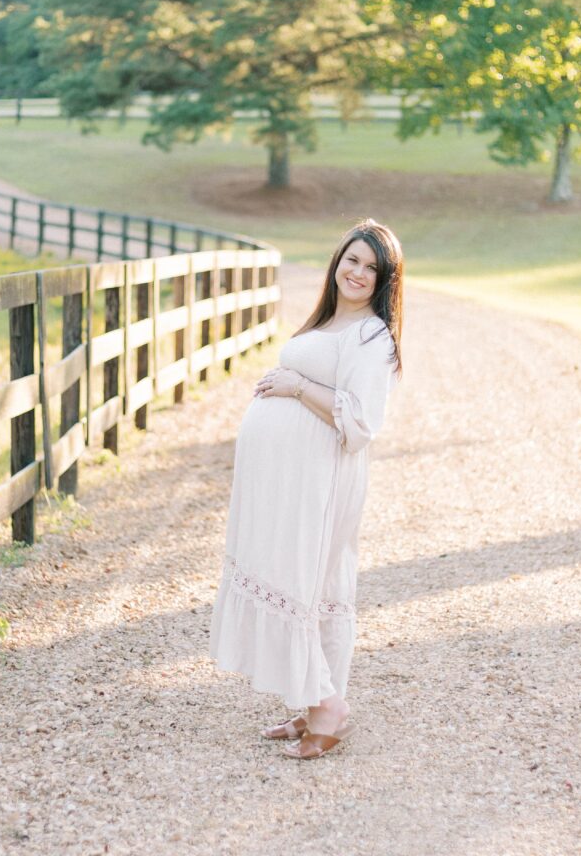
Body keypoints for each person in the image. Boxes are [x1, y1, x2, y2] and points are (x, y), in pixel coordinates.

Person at [208, 219, 404, 759]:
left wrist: (296, 387)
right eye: (352, 259)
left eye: (371, 266)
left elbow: (361, 423)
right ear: (337, 261)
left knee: (308, 581)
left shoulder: (372, 336)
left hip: (321, 479)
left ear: (386, 279)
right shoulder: (330, 322)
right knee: (310, 585)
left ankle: (328, 710)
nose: (358, 272)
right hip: (291, 480)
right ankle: (316, 701)